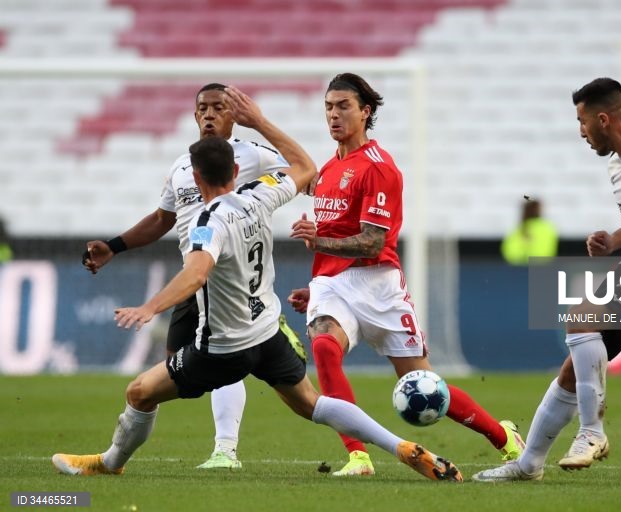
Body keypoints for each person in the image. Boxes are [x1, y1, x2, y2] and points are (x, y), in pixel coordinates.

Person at [52, 133, 463, 483]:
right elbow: (304, 166)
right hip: (267, 333)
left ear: (196, 178)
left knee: (139, 393)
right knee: (313, 404)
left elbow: (195, 275)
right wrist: (259, 122)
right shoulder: (259, 195)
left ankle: (110, 463)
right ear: (236, 171)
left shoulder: (206, 224)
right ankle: (401, 446)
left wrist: (149, 306)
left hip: (223, 348)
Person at [473, 77, 621, 482]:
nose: (581, 132)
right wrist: (613, 240)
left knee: (580, 317)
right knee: (573, 370)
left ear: (603, 119)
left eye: (582, 122)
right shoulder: (617, 164)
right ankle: (529, 464)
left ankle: (592, 432)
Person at [287, 73, 525, 477]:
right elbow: (336, 236)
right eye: (328, 107)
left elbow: (372, 243)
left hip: (379, 286)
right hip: (333, 285)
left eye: (343, 106)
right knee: (324, 347)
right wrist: (321, 286)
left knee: (425, 384)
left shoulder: (379, 169)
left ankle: (503, 436)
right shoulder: (328, 170)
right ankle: (358, 456)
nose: (334, 115)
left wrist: (319, 242)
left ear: (365, 111)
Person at [81, 83, 307, 470]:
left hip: (227, 280)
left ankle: (224, 449)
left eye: (219, 107)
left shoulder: (253, 154)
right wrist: (114, 246)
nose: (209, 114)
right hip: (193, 280)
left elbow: (304, 174)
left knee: (222, 355)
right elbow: (162, 219)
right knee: (179, 365)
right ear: (194, 114)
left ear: (234, 115)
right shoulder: (183, 166)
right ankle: (121, 457)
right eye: (203, 108)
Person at [500, 198, 558, 265]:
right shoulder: (547, 227)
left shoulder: (520, 228)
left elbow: (510, 253)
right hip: (537, 266)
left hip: (522, 266)